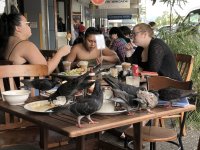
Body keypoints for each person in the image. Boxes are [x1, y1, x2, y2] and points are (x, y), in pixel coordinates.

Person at [0, 9, 70, 75]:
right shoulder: (25, 46)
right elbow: (45, 70)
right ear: (17, 28)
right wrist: (60, 53)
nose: (29, 26)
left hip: (13, 87)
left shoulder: (6, 44)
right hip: (26, 87)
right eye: (27, 23)